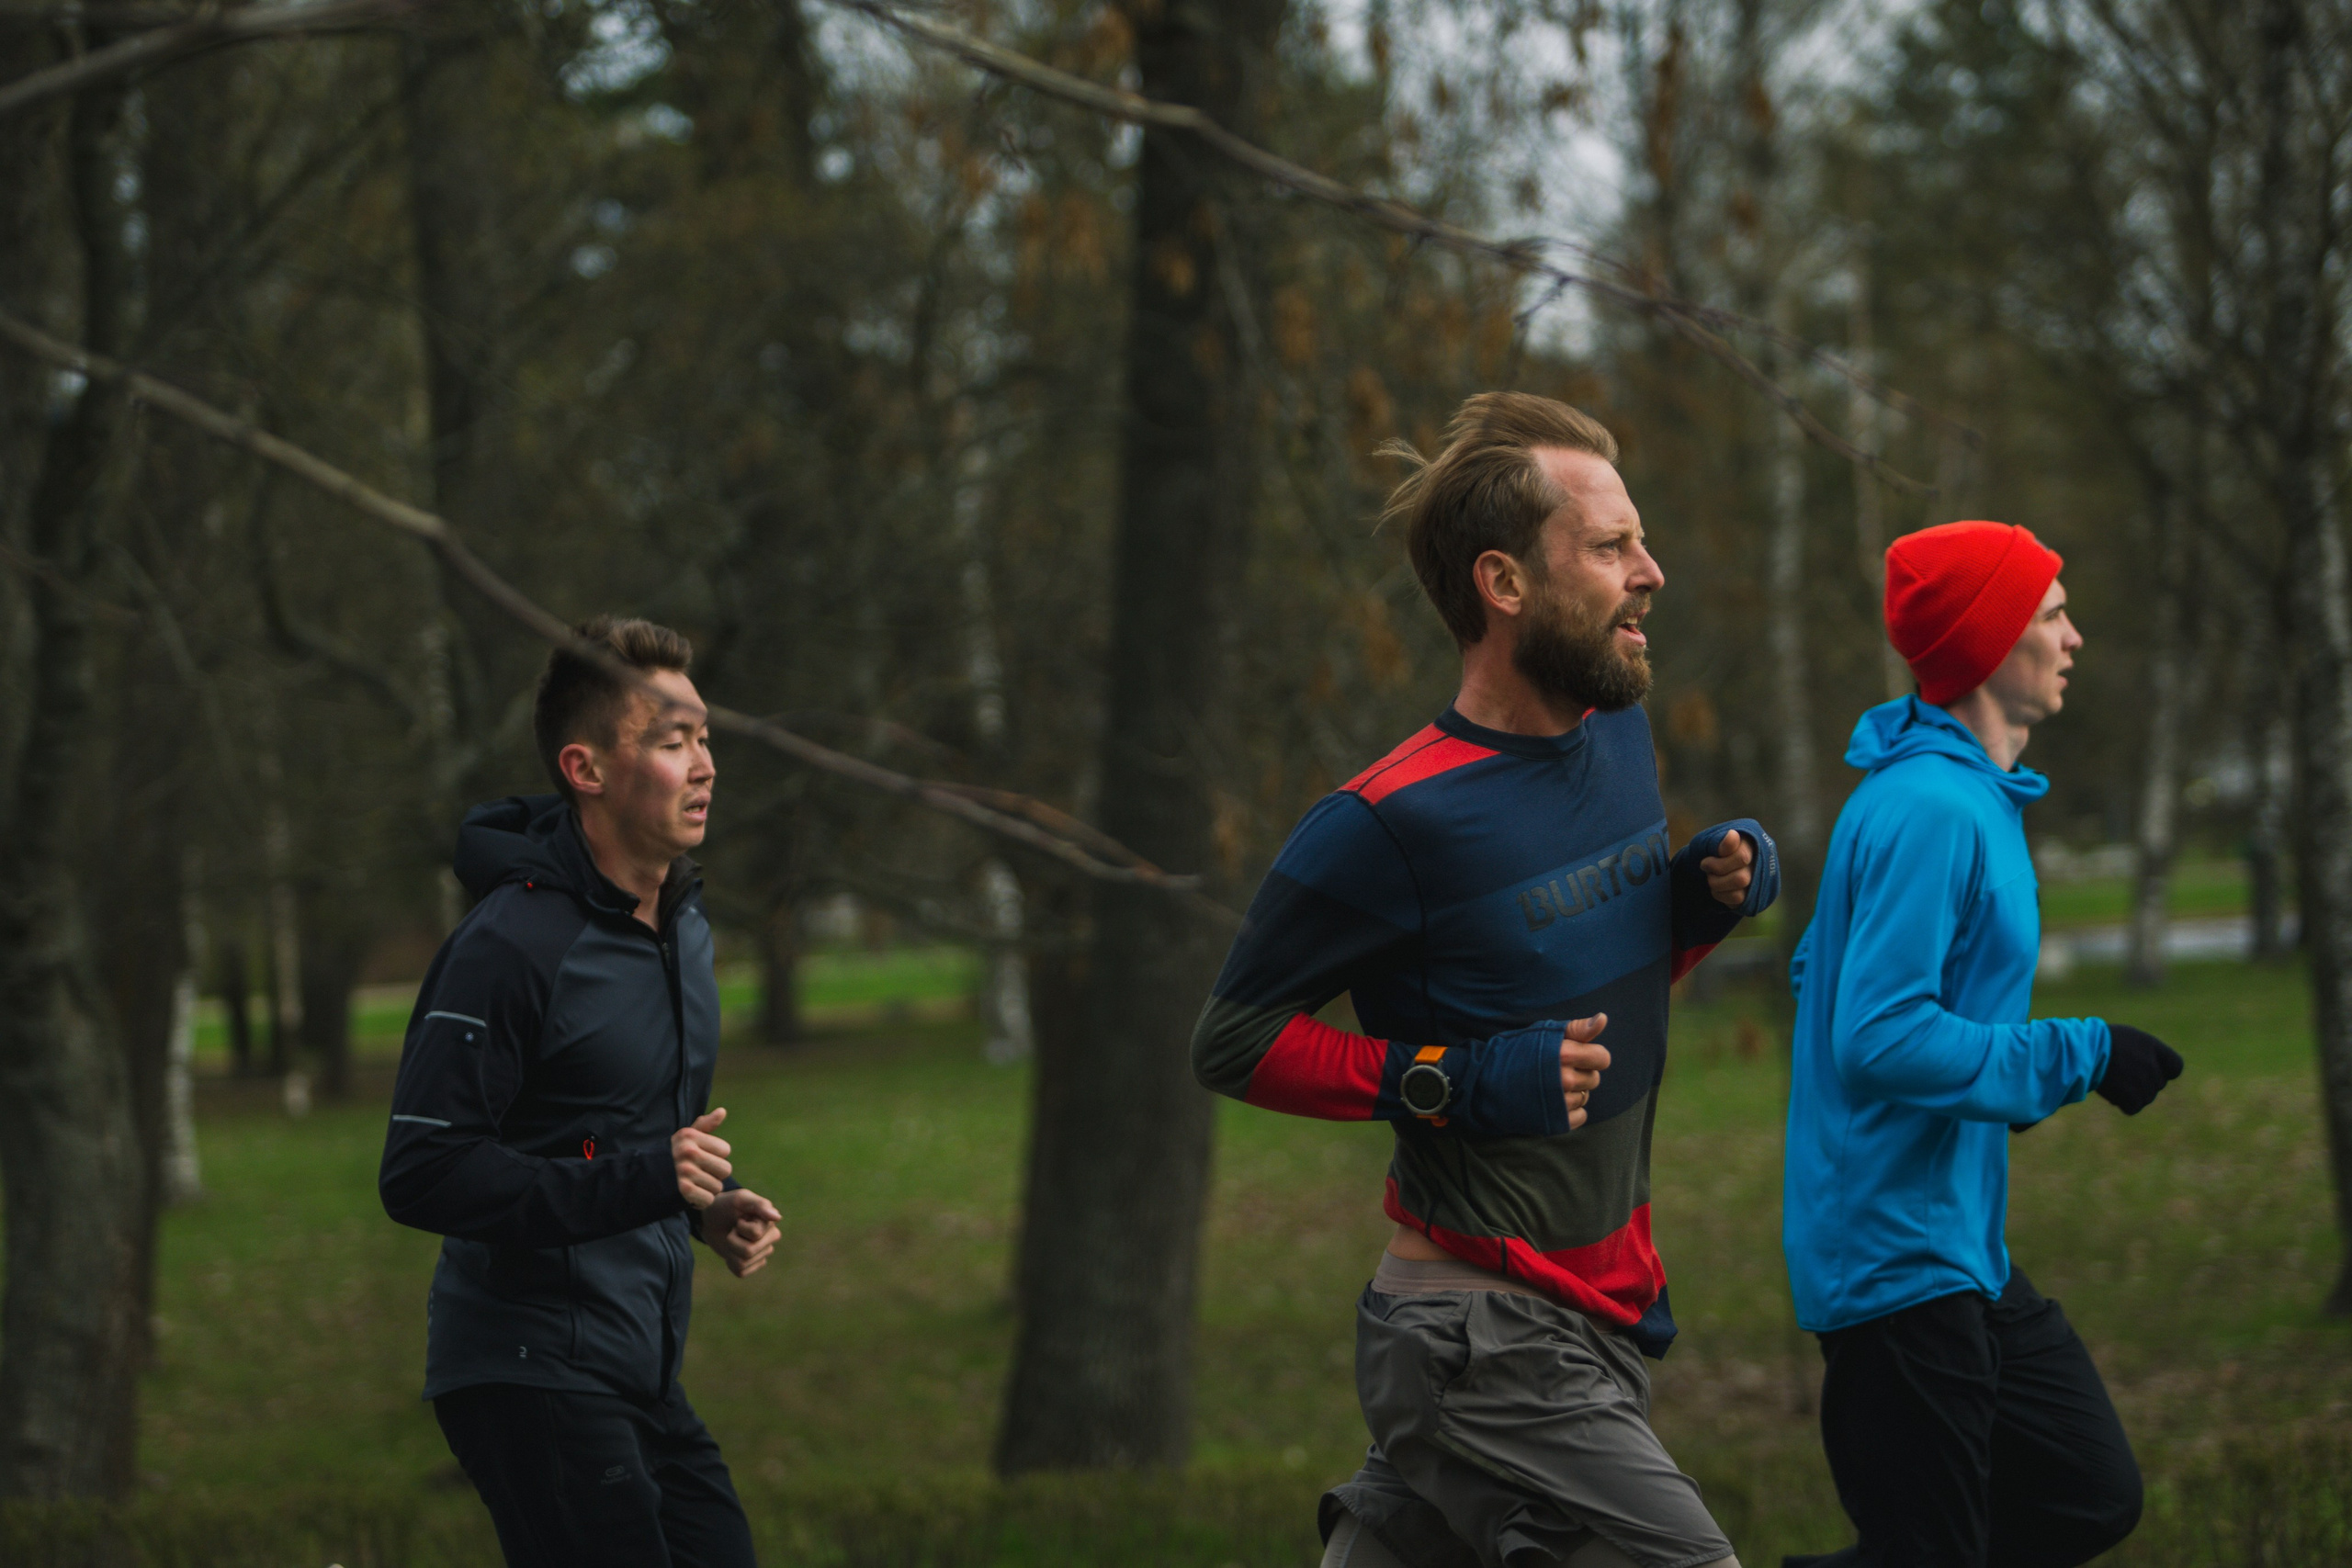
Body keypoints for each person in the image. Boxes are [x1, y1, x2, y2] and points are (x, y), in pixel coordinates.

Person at [1194, 392, 1779, 1568]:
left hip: (1599, 1299)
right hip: (1482, 1331)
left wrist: (1696, 902)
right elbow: (1235, 1040)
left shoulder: (1615, 732)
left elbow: (1564, 966)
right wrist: (1452, 1082)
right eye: (1611, 549)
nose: (1650, 572)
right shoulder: (1386, 819)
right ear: (1504, 585)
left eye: (1640, 541)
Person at [1781, 521, 2182, 1568]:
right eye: (2053, 615)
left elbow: (1820, 982)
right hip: (1893, 1262)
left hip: (1955, 1246)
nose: (2074, 638)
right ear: (1995, 642)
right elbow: (1874, 1037)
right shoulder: (1928, 810)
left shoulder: (1958, 800)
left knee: (2089, 1493)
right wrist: (2080, 1055)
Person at [380, 615, 783, 1568]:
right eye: (672, 741)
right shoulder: (510, 946)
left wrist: (703, 1204)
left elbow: (611, 1135)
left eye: (706, 737)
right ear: (586, 768)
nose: (706, 765)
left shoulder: (683, 927)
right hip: (526, 1367)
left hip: (636, 1366)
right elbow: (422, 1171)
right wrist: (645, 1178)